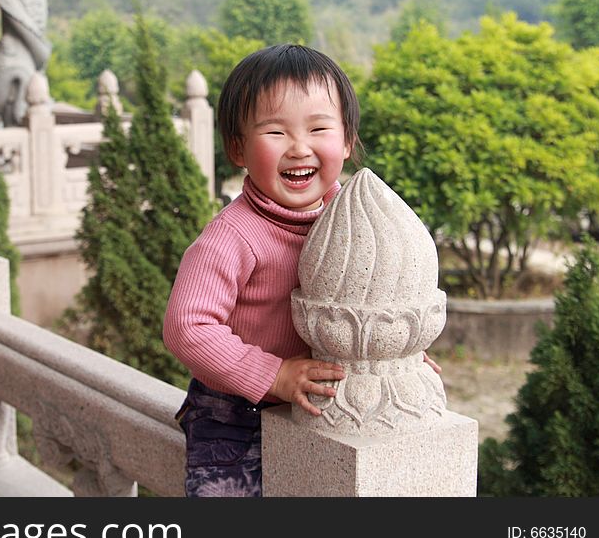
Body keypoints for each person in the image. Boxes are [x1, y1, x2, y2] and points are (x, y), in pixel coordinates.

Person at [164, 44, 440, 497]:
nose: (299, 148)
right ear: (237, 147)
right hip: (234, 415)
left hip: (318, 401)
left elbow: (373, 296)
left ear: (347, 140)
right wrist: (272, 375)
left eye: (319, 128)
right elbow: (186, 327)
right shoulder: (233, 236)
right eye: (275, 132)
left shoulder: (350, 219)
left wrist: (393, 354)